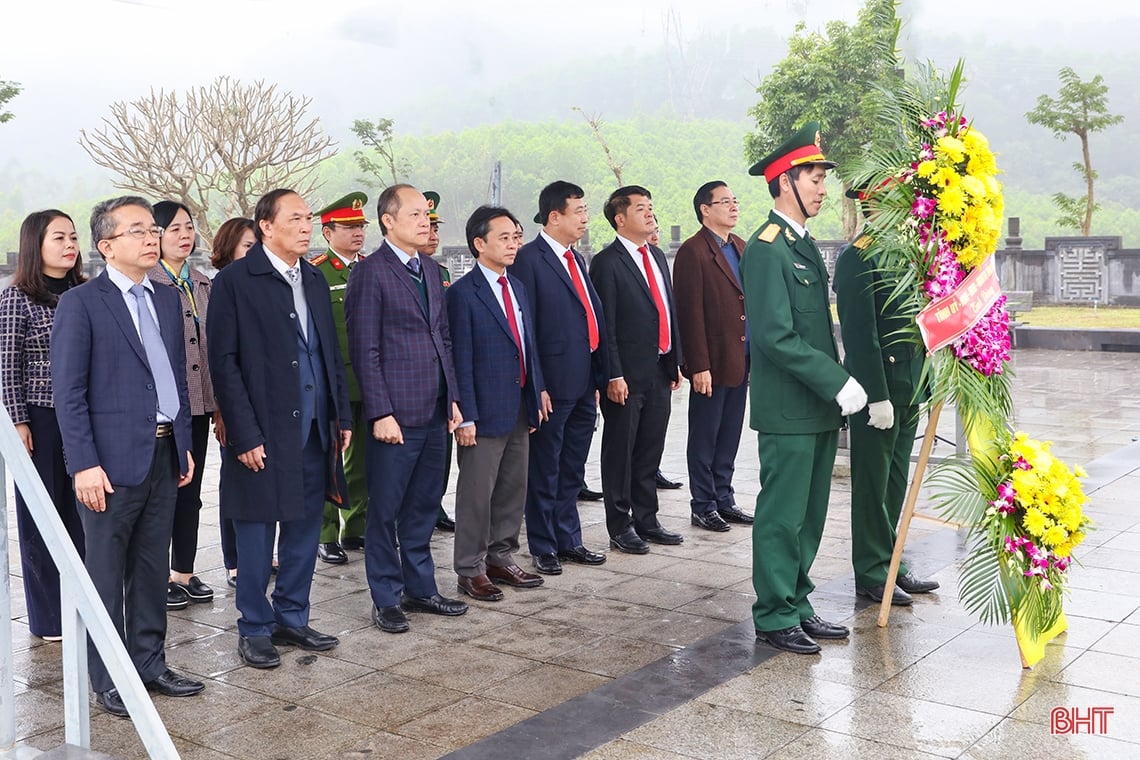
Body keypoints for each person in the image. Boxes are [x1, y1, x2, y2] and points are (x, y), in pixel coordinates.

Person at [51, 196, 202, 716]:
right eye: (137, 230)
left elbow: (175, 377)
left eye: (151, 230)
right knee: (106, 571)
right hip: (109, 466)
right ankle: (107, 674)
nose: (151, 237)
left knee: (150, 564)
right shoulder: (83, 303)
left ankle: (150, 663)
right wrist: (83, 464)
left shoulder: (164, 297)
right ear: (107, 244)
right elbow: (68, 394)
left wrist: (183, 444)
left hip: (163, 455)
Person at [207, 188, 352, 669]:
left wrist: (340, 418)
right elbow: (223, 364)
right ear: (266, 226)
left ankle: (292, 614)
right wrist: (245, 435)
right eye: (296, 218)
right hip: (263, 431)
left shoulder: (311, 276)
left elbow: (328, 352)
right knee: (255, 529)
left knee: (305, 526)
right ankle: (254, 625)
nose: (306, 225)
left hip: (314, 425)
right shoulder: (236, 281)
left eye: (309, 217)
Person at [741, 122, 867, 655]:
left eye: (821, 178)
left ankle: (797, 601)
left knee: (810, 515)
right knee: (782, 515)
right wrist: (838, 381)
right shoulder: (767, 248)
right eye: (814, 177)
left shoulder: (803, 244)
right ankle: (773, 613)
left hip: (815, 406)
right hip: (788, 408)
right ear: (784, 182)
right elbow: (774, 336)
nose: (821, 187)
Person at [345, 183, 467, 634]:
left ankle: (422, 588)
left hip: (435, 410)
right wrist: (380, 413)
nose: (425, 222)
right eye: (415, 214)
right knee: (386, 509)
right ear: (388, 221)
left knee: (424, 505)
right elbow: (365, 349)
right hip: (395, 415)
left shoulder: (432, 270)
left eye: (428, 215)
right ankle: (385, 597)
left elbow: (444, 340)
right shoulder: (370, 273)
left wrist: (454, 398)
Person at [834, 186, 939, 606]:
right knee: (873, 485)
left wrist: (928, 381)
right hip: (879, 391)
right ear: (873, 205)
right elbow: (860, 335)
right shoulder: (859, 256)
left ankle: (892, 560)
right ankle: (872, 571)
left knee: (896, 484)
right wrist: (875, 395)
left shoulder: (909, 252)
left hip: (909, 386)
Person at [447, 205, 549, 600]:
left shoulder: (517, 286)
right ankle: (470, 568)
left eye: (517, 237)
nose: (514, 244)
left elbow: (527, 344)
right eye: (504, 238)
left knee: (512, 488)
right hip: (483, 411)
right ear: (479, 243)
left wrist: (537, 388)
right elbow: (460, 361)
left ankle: (500, 556)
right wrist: (466, 416)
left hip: (520, 404)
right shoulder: (462, 294)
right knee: (477, 493)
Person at [511, 181, 609, 575]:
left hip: (584, 380)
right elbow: (526, 328)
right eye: (579, 211)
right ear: (555, 216)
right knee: (546, 466)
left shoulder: (577, 259)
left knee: (573, 465)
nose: (586, 218)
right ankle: (543, 543)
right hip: (552, 383)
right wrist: (538, 386)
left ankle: (570, 538)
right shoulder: (529, 259)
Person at [0, 210, 87, 642]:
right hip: (41, 417)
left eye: (73, 237)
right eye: (59, 237)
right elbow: (6, 365)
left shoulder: (86, 292)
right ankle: (50, 618)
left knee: (83, 511)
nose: (70, 245)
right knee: (42, 517)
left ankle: (87, 605)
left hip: (85, 417)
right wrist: (18, 422)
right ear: (36, 245)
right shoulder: (17, 297)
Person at [589, 185, 683, 555]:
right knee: (620, 449)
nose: (649, 213)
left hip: (659, 368)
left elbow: (667, 311)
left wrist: (674, 361)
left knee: (649, 448)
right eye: (641, 208)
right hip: (624, 377)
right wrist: (612, 374)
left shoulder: (657, 256)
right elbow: (605, 323)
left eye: (650, 206)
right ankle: (619, 523)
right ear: (620, 218)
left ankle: (648, 517)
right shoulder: (607, 262)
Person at [672, 182, 753, 532]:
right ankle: (702, 504)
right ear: (705, 209)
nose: (733, 207)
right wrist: (698, 365)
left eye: (735, 201)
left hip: (742, 355)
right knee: (705, 435)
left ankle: (724, 497)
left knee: (730, 433)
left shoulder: (740, 245)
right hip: (712, 361)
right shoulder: (693, 251)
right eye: (724, 202)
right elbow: (689, 313)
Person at [149, 201, 215, 610]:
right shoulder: (149, 284)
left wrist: (218, 406)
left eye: (188, 228)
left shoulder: (204, 284)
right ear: (154, 235)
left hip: (200, 405)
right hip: (161, 409)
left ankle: (183, 573)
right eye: (173, 229)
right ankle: (156, 575)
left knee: (191, 492)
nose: (184, 235)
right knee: (161, 494)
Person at [309, 192, 371, 565]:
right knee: (329, 460)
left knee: (362, 461)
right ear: (328, 231)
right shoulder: (318, 272)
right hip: (334, 383)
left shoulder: (371, 268)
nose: (357, 233)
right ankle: (325, 532)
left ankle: (357, 527)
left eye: (360, 227)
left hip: (369, 382)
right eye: (348, 228)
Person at [209, 217, 257, 589]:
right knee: (234, 483)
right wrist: (221, 410)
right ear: (228, 250)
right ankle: (235, 558)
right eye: (246, 246)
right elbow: (218, 360)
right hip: (232, 404)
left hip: (265, 403)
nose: (254, 253)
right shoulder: (219, 289)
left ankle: (258, 551)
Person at [418, 191, 456, 533]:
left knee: (441, 450)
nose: (433, 234)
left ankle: (435, 506)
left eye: (435, 227)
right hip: (408, 386)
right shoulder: (380, 271)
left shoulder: (439, 272)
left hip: (441, 379)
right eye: (426, 226)